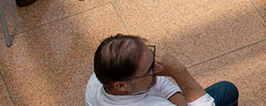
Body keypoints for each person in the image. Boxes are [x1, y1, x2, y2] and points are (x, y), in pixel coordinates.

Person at [87, 34, 238, 106]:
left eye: (153, 58)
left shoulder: (97, 79)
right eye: (150, 69)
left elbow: (161, 84)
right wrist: (178, 71)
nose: (159, 69)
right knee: (227, 90)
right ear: (121, 85)